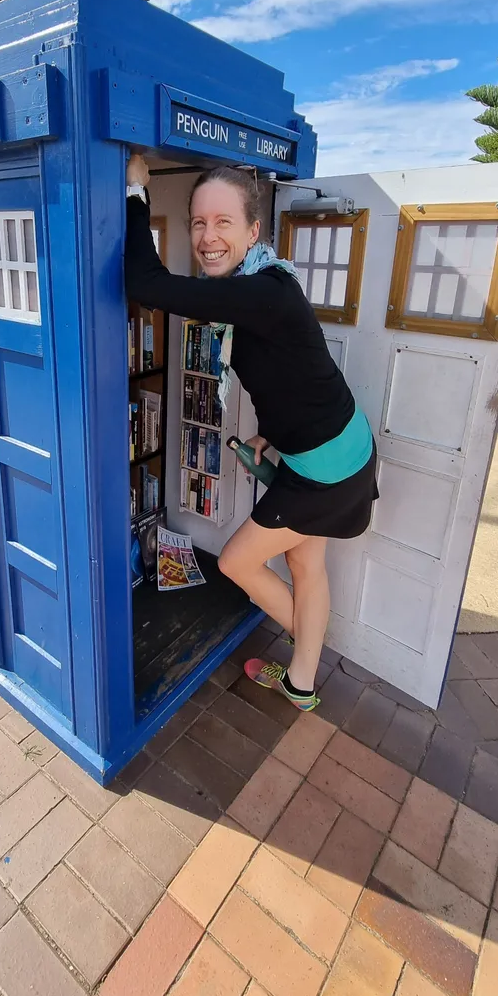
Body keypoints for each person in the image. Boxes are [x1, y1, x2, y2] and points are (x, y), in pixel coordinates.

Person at [124, 155, 379, 711]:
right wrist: (271, 433)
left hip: (327, 470)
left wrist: (136, 192)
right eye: (197, 223)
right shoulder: (262, 285)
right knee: (305, 565)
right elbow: (286, 372)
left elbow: (144, 281)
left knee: (238, 563)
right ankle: (303, 683)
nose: (207, 237)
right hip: (336, 446)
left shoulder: (260, 292)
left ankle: (309, 641)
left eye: (222, 223)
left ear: (253, 230)